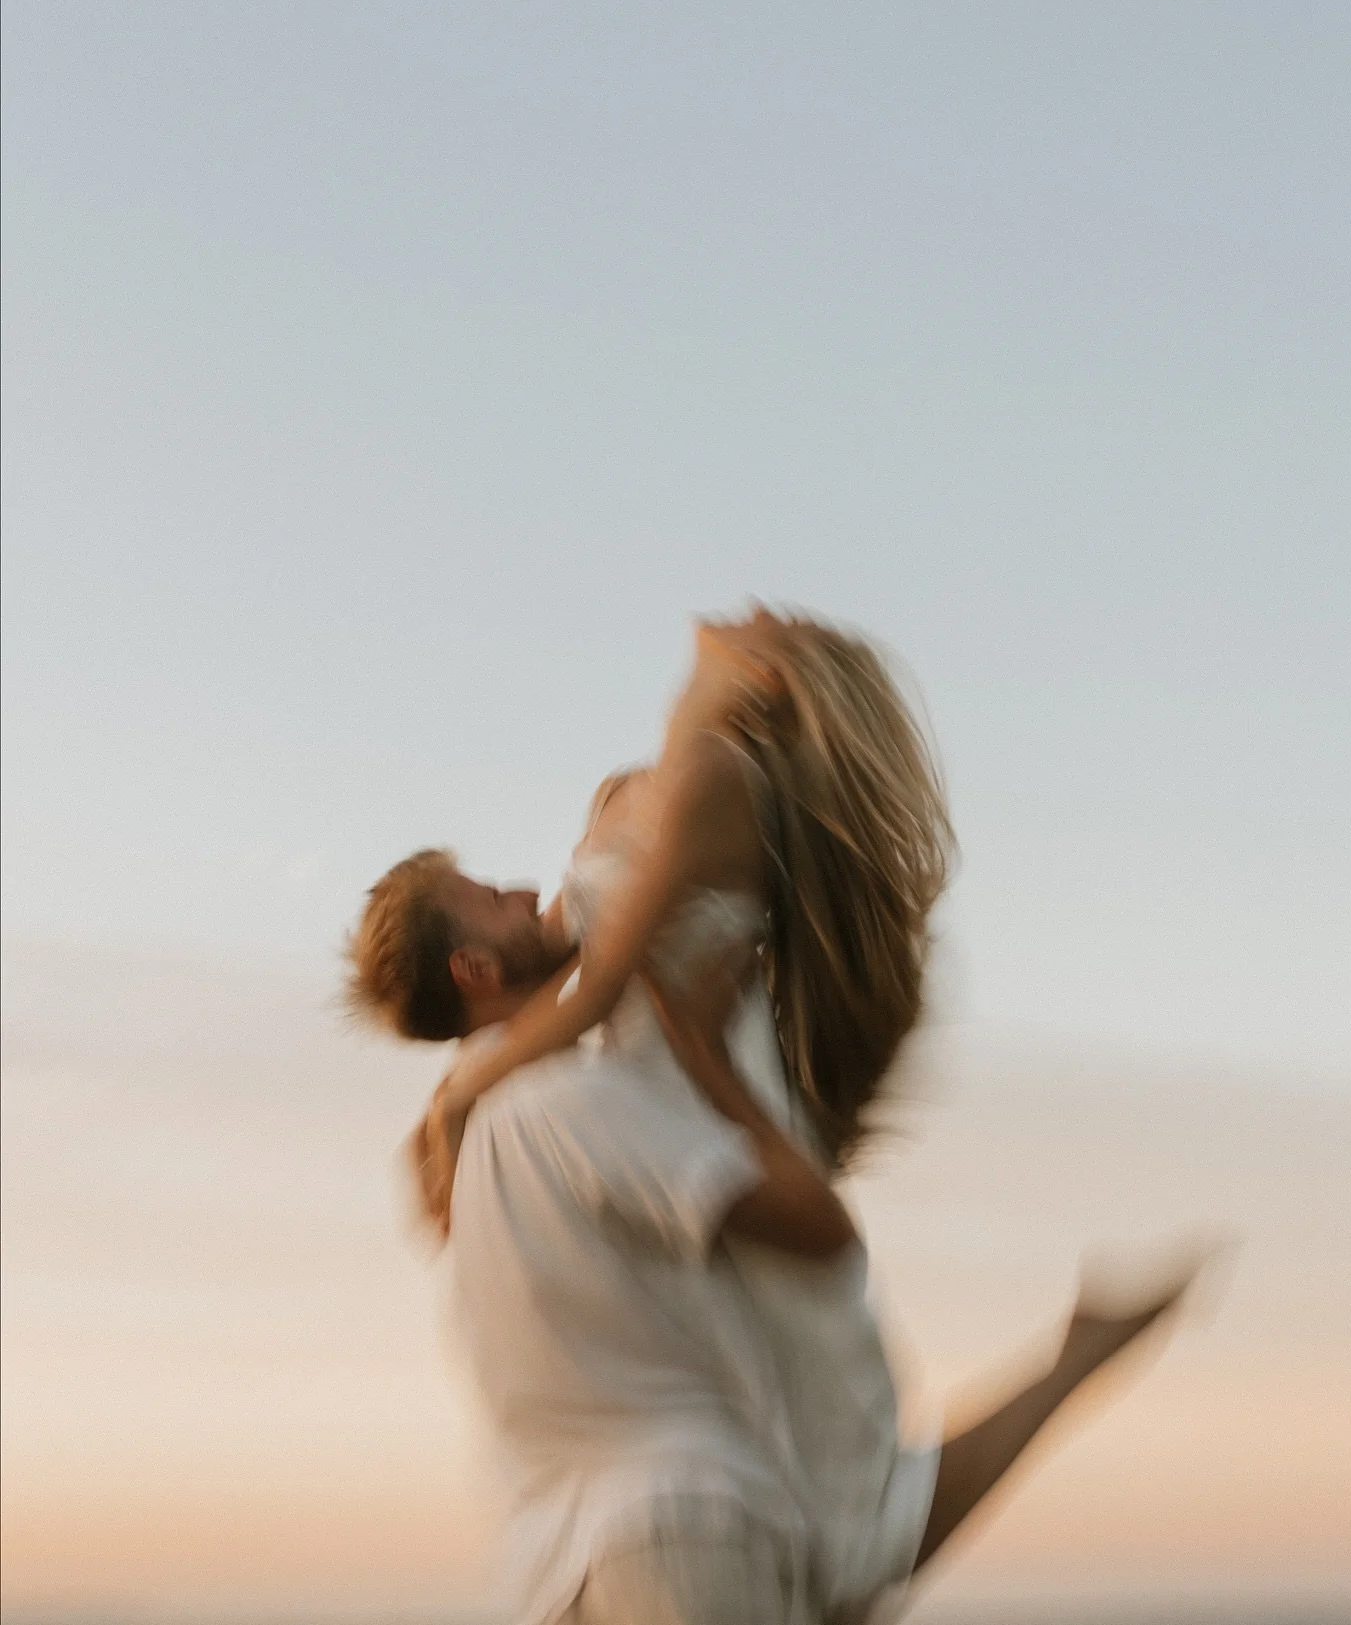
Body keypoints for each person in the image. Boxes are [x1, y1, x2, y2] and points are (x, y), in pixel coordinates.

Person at [347, 609, 1205, 1624]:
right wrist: (468, 1101)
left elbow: (597, 984)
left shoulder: (711, 782)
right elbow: (560, 986)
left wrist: (459, 1095)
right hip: (664, 1100)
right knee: (820, 1500)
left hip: (715, 1086)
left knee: (838, 1487)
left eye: (774, 628)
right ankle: (1074, 1359)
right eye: (492, 891)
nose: (751, 616)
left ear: (770, 677)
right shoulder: (621, 799)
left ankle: (1072, 1360)